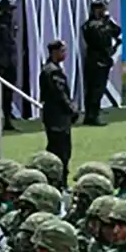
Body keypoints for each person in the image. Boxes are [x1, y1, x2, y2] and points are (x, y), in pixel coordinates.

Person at [39, 39, 76, 180]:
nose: (65, 54)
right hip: (57, 117)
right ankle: (59, 180)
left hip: (54, 116)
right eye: (62, 51)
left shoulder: (49, 69)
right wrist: (72, 109)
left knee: (57, 149)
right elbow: (60, 94)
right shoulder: (53, 72)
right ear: (55, 52)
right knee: (61, 151)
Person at [80, 0, 121, 126]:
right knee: (94, 89)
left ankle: (93, 114)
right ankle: (91, 115)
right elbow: (100, 39)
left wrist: (108, 21)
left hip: (103, 59)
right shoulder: (91, 25)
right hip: (96, 59)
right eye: (102, 9)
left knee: (99, 89)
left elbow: (117, 31)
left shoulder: (104, 23)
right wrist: (105, 24)